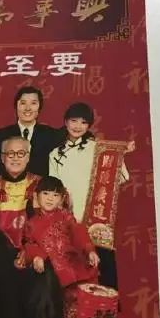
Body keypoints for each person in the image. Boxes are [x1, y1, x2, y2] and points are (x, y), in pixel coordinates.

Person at [49, 102, 134, 289]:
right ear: (65, 121)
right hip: (70, 217)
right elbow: (54, 189)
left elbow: (118, 178)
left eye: (83, 122)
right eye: (74, 121)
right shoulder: (55, 154)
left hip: (97, 215)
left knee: (104, 268)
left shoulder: (98, 148)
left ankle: (107, 303)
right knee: (74, 272)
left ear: (89, 125)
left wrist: (120, 153)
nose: (78, 126)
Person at [22, 176, 99, 318]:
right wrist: (37, 256)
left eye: (55, 195)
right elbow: (30, 244)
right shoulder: (31, 223)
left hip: (70, 264)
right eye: (46, 193)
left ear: (61, 199)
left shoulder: (65, 216)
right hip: (49, 268)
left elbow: (78, 233)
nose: (50, 198)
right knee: (44, 294)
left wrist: (89, 250)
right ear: (37, 196)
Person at [0, 87, 61, 180]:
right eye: (23, 103)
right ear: (16, 106)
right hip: (8, 187)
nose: (27, 108)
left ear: (39, 107)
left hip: (42, 187)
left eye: (33, 103)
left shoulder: (52, 135)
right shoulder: (1, 135)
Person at [0, 136, 40, 250]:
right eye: (10, 153)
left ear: (28, 157)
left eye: (21, 153)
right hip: (0, 251)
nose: (15, 158)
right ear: (2, 158)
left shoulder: (41, 186)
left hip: (36, 252)